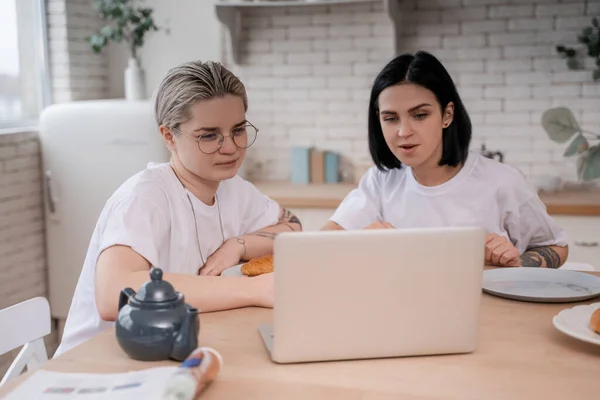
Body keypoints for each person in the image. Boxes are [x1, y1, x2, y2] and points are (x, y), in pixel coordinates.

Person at [54, 61, 301, 357]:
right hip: (95, 368)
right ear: (169, 136)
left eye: (238, 130)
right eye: (209, 135)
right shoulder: (145, 196)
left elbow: (292, 226)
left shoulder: (232, 188)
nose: (231, 148)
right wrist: (255, 290)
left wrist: (239, 244)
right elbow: (113, 294)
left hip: (167, 356)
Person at [321, 51, 568, 269]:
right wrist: (357, 241)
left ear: (447, 115)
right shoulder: (380, 181)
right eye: (391, 118)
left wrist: (517, 262)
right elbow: (318, 247)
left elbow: (556, 247)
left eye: (420, 115)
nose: (403, 131)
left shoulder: (504, 182)